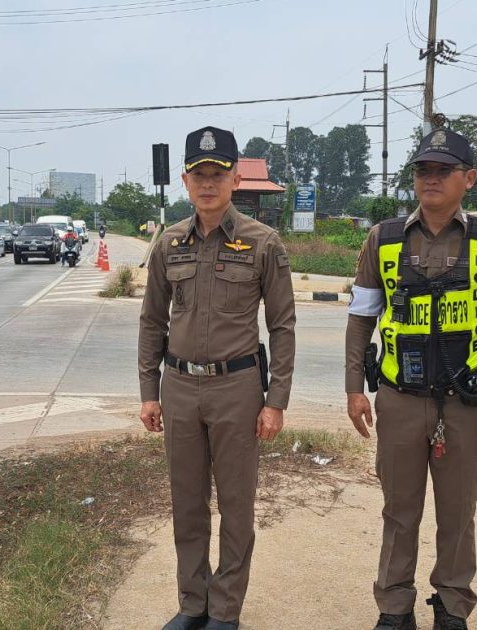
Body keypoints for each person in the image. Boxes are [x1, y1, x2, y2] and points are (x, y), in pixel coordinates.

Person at [344, 128, 477, 630]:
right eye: (424, 169)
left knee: (459, 512)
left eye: (444, 170)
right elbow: (361, 318)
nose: (431, 178)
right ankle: (394, 607)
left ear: (470, 178)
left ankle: (452, 605)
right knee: (399, 510)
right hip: (399, 399)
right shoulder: (383, 239)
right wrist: (355, 388)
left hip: (465, 403)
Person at [138, 126, 296, 630]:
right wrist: (149, 393)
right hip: (180, 387)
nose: (208, 183)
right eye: (199, 174)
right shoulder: (169, 243)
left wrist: (276, 400)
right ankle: (192, 604)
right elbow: (152, 321)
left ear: (235, 180)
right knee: (187, 503)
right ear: (185, 181)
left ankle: (225, 611)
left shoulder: (262, 242)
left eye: (218, 174)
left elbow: (282, 326)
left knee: (235, 505)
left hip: (237, 389)